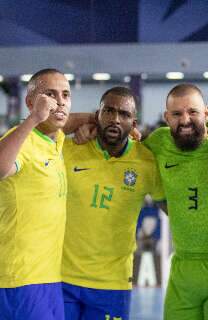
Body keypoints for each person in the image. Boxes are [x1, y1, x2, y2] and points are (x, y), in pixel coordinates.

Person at [61, 87, 164, 320]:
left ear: (134, 122)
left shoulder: (147, 162)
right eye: (108, 111)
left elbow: (170, 205)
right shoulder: (69, 150)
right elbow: (36, 131)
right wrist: (81, 121)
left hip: (112, 283)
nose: (115, 119)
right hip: (62, 278)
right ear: (97, 114)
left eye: (124, 114)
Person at [143, 84, 208, 320]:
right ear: (167, 117)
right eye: (176, 114)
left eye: (192, 112)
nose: (185, 120)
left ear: (206, 113)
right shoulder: (157, 143)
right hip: (182, 271)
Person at [0, 68, 71, 320]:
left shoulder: (56, 140)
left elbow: (63, 118)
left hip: (49, 278)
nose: (60, 101)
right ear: (31, 102)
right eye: (50, 94)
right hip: (20, 279)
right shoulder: (22, 140)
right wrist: (32, 119)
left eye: (65, 95)